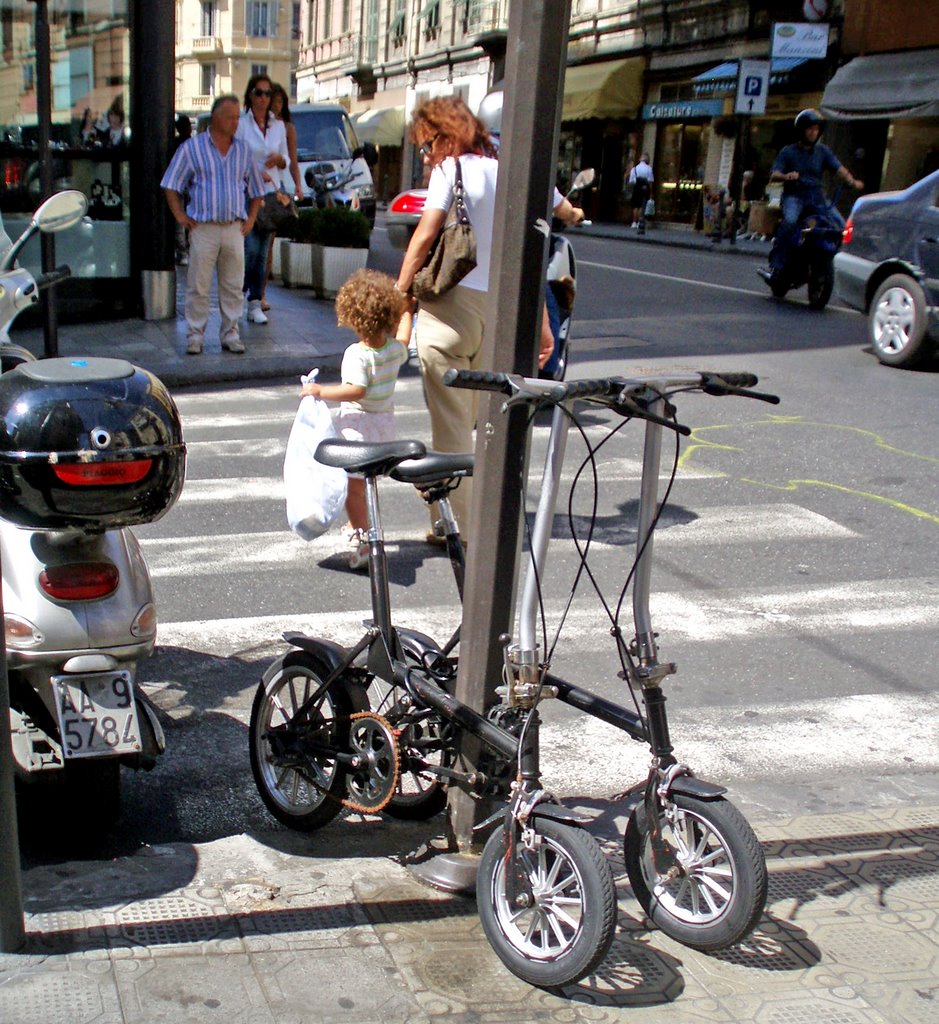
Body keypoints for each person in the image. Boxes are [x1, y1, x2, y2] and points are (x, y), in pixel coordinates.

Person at [394, 97, 502, 541]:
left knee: (453, 428)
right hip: (494, 313)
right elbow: (556, 214)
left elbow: (423, 238)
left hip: (450, 310)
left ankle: (456, 525)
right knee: (479, 424)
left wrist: (401, 296)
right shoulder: (508, 169)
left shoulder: (451, 171)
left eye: (429, 144)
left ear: (451, 136)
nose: (427, 155)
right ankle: (480, 512)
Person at [299, 270, 409, 570]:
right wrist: (407, 310)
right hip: (384, 426)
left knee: (352, 486)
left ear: (353, 317)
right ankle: (360, 525)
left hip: (359, 429)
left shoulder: (357, 355)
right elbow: (405, 336)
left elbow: (356, 390)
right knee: (365, 483)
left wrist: (320, 391)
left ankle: (365, 541)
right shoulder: (395, 351)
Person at [161, 94, 265, 356]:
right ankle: (195, 336)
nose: (235, 123)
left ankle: (231, 333)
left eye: (237, 117)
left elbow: (256, 190)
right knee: (199, 285)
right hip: (203, 227)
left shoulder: (243, 151)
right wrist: (180, 216)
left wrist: (251, 219)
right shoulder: (192, 148)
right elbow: (171, 184)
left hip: (233, 227)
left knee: (232, 285)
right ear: (215, 118)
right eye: (230, 117)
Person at [765, 109, 863, 279]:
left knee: (841, 226)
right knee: (789, 221)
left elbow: (838, 168)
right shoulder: (788, 152)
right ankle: (778, 262)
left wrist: (851, 181)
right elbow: (774, 174)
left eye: (816, 129)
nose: (813, 132)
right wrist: (787, 176)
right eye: (810, 128)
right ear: (802, 130)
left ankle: (829, 259)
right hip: (795, 197)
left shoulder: (822, 151)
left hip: (817, 197)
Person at [235, 74, 289, 325]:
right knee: (249, 250)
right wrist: (255, 171)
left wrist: (278, 160)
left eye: (268, 94)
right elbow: (236, 157)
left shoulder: (277, 126)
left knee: (261, 252)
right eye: (259, 93)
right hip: (248, 192)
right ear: (250, 95)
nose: (264, 98)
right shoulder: (242, 125)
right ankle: (240, 295)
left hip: (270, 192)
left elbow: (286, 159)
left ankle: (254, 300)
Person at [261, 83, 302, 311]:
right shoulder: (256, 125)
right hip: (254, 188)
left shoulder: (286, 128)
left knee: (267, 243)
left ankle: (261, 293)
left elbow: (292, 160)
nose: (275, 106)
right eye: (272, 101)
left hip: (275, 189)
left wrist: (297, 185)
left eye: (279, 102)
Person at [172, 114, 193, 266]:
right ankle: (184, 251)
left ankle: (183, 251)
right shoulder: (193, 144)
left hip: (181, 185)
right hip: (188, 185)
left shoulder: (176, 144)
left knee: (180, 222)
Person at [627, 153, 653, 230]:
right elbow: (650, 181)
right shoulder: (649, 169)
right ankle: (640, 221)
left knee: (635, 206)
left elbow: (631, 181)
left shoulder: (634, 169)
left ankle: (634, 222)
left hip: (636, 188)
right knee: (642, 205)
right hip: (645, 188)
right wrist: (651, 192)